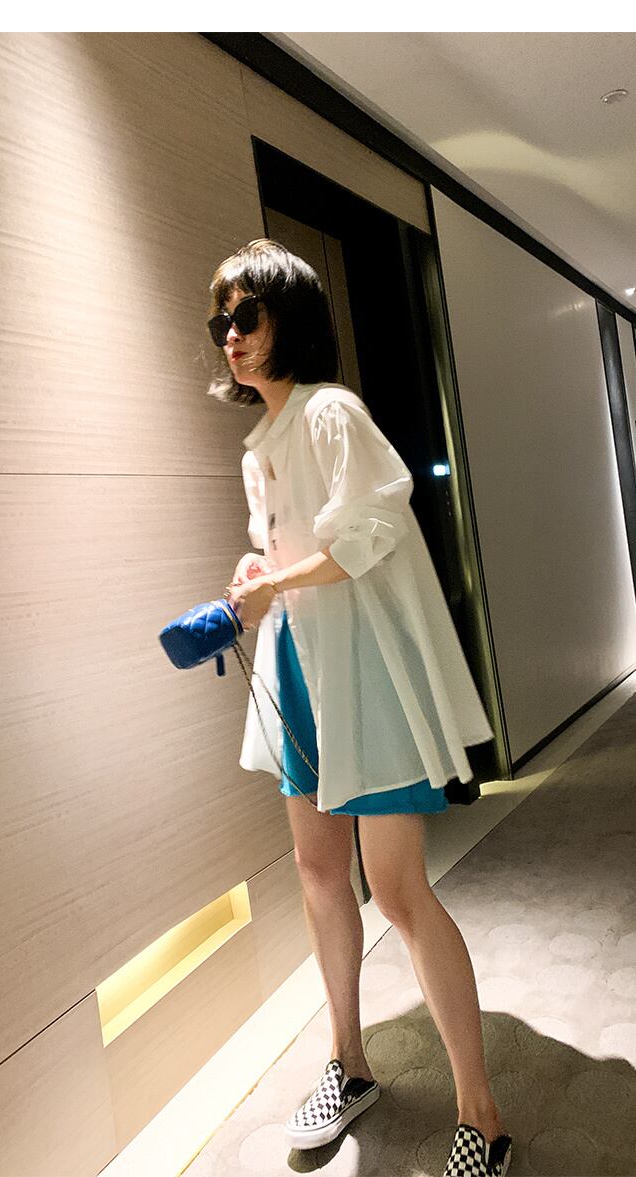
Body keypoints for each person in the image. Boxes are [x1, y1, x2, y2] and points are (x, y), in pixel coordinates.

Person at [205, 239, 513, 1177]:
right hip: (301, 666)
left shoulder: (331, 411)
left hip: (361, 672)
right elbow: (301, 549)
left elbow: (373, 525)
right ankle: (350, 1061)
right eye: (220, 321)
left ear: (289, 316)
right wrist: (260, 571)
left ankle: (483, 1114)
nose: (230, 336)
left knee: (400, 889)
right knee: (316, 870)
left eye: (246, 315)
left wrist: (276, 579)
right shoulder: (262, 443)